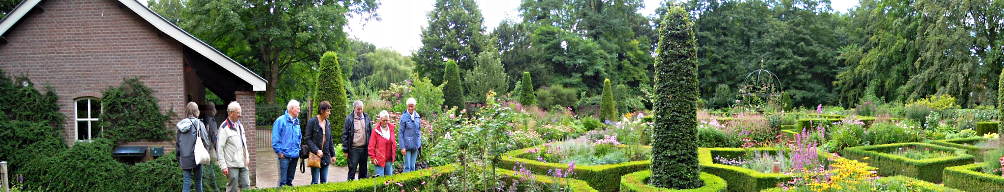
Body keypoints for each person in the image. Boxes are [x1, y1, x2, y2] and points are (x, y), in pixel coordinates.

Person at [177, 102, 211, 192]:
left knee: (186, 181)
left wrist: (178, 157)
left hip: (184, 157)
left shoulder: (180, 125)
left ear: (186, 111)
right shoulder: (199, 124)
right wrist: (206, 151)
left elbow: (177, 144)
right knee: (198, 181)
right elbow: (206, 140)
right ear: (196, 111)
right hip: (197, 156)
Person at [216, 101, 250, 192]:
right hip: (231, 164)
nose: (240, 115)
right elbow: (220, 148)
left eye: (240, 112)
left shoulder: (240, 125)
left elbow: (244, 143)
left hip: (243, 162)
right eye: (238, 113)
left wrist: (247, 157)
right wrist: (223, 166)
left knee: (246, 186)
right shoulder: (224, 128)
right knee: (233, 189)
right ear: (231, 113)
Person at [272, 100, 302, 186]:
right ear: (292, 109)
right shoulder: (280, 121)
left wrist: (298, 150)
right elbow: (275, 138)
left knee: (290, 181)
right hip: (284, 156)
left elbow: (299, 137)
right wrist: (279, 152)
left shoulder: (297, 122)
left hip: (295, 156)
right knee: (283, 182)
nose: (299, 110)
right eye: (298, 108)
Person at [304, 101, 336, 184]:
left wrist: (333, 155)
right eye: (328, 111)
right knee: (315, 182)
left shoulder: (327, 123)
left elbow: (330, 140)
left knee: (324, 182)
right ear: (322, 111)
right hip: (315, 156)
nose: (330, 113)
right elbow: (307, 139)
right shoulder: (312, 122)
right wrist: (316, 150)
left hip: (326, 156)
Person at [342, 100, 372, 180]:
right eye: (358, 109)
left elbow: (370, 132)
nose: (359, 111)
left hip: (364, 149)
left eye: (361, 109)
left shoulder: (366, 118)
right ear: (354, 108)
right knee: (352, 170)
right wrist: (345, 150)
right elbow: (345, 135)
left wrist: (371, 147)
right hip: (354, 149)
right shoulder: (349, 119)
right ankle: (351, 188)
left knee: (363, 171)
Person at [369, 110, 397, 177]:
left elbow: (393, 142)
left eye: (387, 120)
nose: (385, 122)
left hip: (389, 158)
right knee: (380, 181)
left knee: (389, 180)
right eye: (384, 120)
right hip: (379, 159)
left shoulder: (391, 128)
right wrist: (372, 157)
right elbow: (371, 145)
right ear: (380, 120)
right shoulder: (376, 130)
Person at [398, 98, 421, 173]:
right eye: (409, 106)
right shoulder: (403, 117)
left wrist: (419, 144)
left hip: (415, 145)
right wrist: (402, 147)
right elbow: (400, 133)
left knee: (413, 166)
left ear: (415, 106)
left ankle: (412, 183)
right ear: (407, 106)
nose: (410, 108)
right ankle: (405, 183)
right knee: (407, 167)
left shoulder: (417, 116)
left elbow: (418, 131)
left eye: (412, 106)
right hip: (406, 146)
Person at [201, 103, 220, 191]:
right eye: (214, 108)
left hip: (204, 148)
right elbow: (214, 137)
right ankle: (214, 186)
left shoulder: (202, 119)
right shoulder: (211, 120)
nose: (215, 110)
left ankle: (208, 185)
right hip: (209, 148)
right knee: (214, 165)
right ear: (210, 110)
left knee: (206, 167)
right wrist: (218, 150)